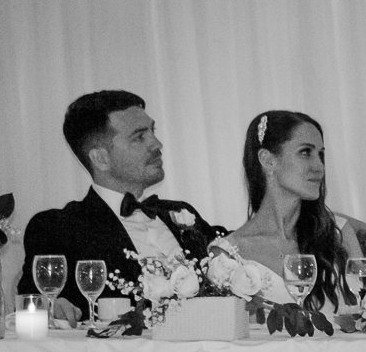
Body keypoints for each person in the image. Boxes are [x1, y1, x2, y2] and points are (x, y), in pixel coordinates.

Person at [17, 90, 220, 322]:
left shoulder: (182, 212)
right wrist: (51, 307)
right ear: (100, 159)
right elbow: (32, 301)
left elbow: (225, 267)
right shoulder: (58, 227)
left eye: (152, 131)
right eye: (139, 137)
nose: (157, 144)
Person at [211, 110, 366, 327]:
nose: (320, 167)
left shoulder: (339, 234)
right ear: (268, 160)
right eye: (306, 152)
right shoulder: (227, 256)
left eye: (321, 154)